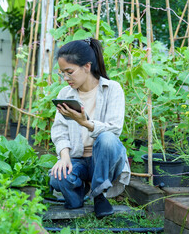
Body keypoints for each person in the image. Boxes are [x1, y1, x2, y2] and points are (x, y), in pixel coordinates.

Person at [49, 38, 131, 219]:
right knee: (57, 177)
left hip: (103, 160)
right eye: (62, 73)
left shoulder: (112, 89)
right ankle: (77, 196)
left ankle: (99, 195)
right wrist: (64, 157)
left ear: (87, 66)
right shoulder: (65, 94)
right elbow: (59, 130)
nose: (66, 78)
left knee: (107, 138)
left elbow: (114, 129)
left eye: (69, 72)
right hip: (78, 158)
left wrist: (84, 122)